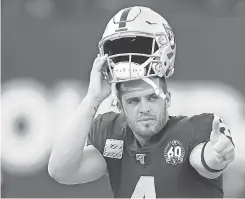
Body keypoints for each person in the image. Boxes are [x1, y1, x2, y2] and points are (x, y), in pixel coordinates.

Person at [48, 6, 235, 198]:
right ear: (120, 106)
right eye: (133, 101)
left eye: (152, 97)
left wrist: (219, 155)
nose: (144, 108)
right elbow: (61, 171)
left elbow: (205, 161)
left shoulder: (193, 130)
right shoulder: (114, 137)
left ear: (167, 99)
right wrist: (91, 100)